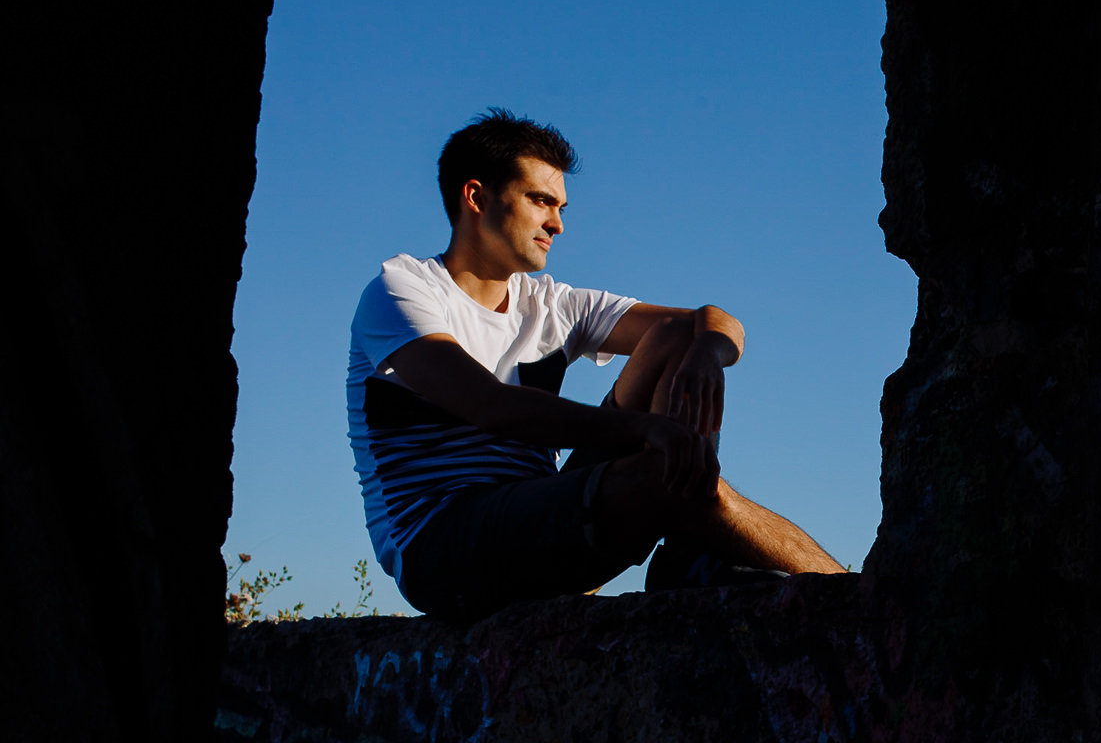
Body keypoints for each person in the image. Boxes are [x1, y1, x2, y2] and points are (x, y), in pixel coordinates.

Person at [347, 109, 845, 622]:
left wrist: (705, 351)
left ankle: (688, 548)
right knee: (674, 475)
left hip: (540, 515)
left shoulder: (550, 303)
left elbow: (715, 322)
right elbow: (491, 407)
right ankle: (858, 599)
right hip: (443, 545)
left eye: (560, 206)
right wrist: (650, 431)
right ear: (476, 197)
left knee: (675, 336)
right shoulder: (400, 290)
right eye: (540, 201)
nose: (557, 223)